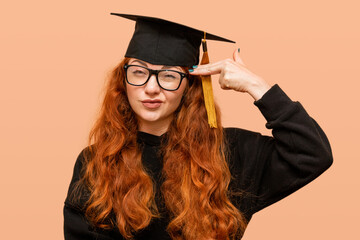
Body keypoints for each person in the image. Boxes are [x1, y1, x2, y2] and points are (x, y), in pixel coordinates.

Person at [63, 13, 333, 240]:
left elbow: (313, 154)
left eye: (169, 76)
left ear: (189, 86)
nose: (151, 88)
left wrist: (257, 87)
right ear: (122, 81)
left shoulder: (228, 154)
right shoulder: (96, 162)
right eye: (139, 72)